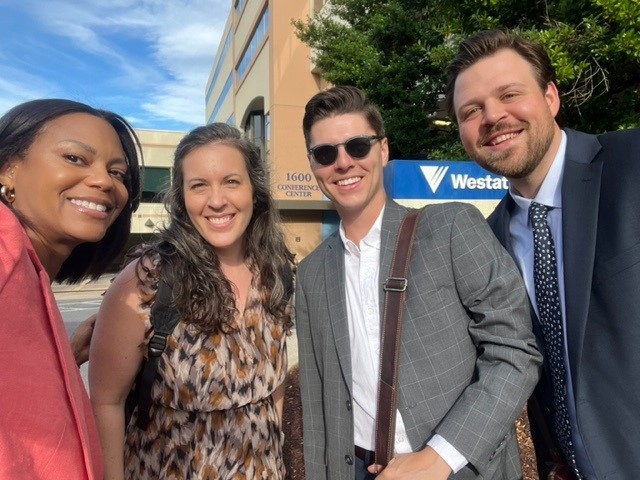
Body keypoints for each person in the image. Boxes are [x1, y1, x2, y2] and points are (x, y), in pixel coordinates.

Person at [296, 85, 542, 480]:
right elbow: (316, 400)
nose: (343, 163)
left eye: (357, 146)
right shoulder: (311, 274)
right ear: (313, 164)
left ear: (383, 150)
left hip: (458, 465)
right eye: (325, 153)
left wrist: (438, 457)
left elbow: (515, 352)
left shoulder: (449, 228)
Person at [445, 29, 640, 479]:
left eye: (509, 94)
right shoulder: (488, 238)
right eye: (471, 111)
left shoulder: (632, 164)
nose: (493, 116)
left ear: (551, 97)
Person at [89, 123, 294, 479]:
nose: (217, 200)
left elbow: (273, 389)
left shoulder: (280, 270)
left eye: (231, 181)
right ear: (182, 198)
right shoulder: (148, 280)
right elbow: (107, 401)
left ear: (254, 191)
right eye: (199, 185)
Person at [0, 98, 142, 479]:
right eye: (76, 158)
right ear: (8, 168)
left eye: (118, 172)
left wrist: (62, 356)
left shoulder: (29, 277)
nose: (104, 181)